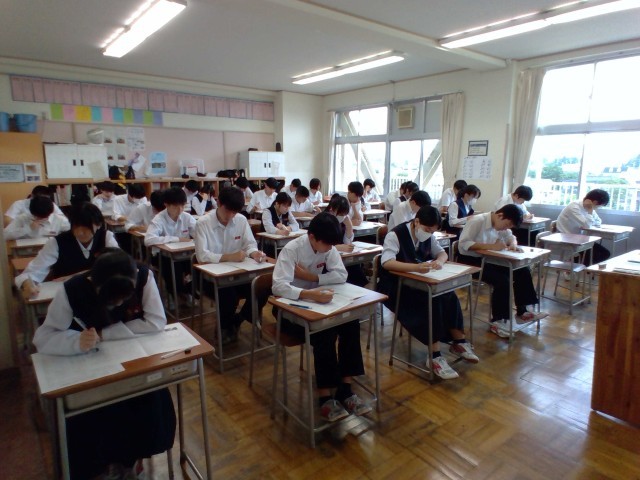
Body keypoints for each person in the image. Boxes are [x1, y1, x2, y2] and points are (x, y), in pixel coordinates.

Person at [32, 249, 174, 480]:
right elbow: (43, 337)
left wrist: (106, 333)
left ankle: (131, 460)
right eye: (112, 300)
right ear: (95, 285)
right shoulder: (72, 290)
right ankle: (101, 466)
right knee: (95, 412)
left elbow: (156, 321)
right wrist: (76, 341)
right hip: (91, 362)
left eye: (124, 299)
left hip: (131, 358)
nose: (119, 304)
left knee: (152, 396)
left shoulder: (143, 277)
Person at [272, 212, 371, 421]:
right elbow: (278, 286)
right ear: (312, 237)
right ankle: (325, 397)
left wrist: (313, 278)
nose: (329, 248)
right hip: (289, 309)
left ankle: (345, 389)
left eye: (332, 245)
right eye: (326, 244)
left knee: (350, 323)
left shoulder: (328, 247)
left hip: (317, 303)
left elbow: (341, 275)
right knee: (324, 332)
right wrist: (310, 294)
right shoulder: (292, 250)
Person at [378, 206, 478, 379]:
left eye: (433, 231)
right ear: (416, 222)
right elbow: (387, 263)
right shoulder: (395, 235)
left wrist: (439, 261)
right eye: (427, 230)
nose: (429, 234)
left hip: (420, 282)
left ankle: (459, 341)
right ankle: (434, 355)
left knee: (448, 294)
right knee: (432, 300)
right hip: (396, 286)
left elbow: (442, 253)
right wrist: (416, 267)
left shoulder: (428, 235)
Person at [457, 204, 548, 338]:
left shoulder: (500, 224)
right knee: (502, 281)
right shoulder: (477, 221)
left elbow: (511, 236)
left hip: (488, 259)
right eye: (507, 224)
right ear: (500, 215)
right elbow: (463, 244)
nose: (507, 228)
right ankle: (498, 321)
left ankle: (522, 311)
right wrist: (492, 246)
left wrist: (513, 244)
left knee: (522, 270)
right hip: (470, 262)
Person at [195, 187, 267, 344]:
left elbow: (249, 244)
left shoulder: (240, 220)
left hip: (238, 274)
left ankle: (237, 320)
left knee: (262, 288)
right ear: (218, 203)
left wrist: (254, 253)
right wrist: (229, 257)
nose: (230, 216)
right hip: (211, 278)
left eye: (234, 212)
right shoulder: (203, 223)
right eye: (227, 211)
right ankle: (224, 327)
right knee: (229, 295)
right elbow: (201, 256)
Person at [15, 202, 119, 300]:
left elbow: (118, 266)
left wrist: (76, 276)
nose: (80, 233)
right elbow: (30, 273)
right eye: (75, 227)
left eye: (85, 228)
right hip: (67, 296)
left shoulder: (106, 237)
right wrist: (27, 283)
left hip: (100, 293)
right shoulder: (57, 242)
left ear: (99, 224)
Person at [144, 187, 197, 307]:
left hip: (184, 254)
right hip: (162, 256)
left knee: (195, 265)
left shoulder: (186, 217)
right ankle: (173, 293)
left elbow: (199, 234)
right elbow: (149, 240)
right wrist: (176, 239)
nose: (180, 210)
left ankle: (187, 291)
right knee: (173, 268)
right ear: (166, 204)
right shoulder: (159, 219)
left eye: (182, 205)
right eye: (175, 206)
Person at [556, 188, 611, 264]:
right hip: (567, 238)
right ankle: (574, 265)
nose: (598, 208)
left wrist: (589, 219)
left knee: (605, 254)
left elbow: (598, 222)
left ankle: (574, 263)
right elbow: (588, 225)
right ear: (595, 202)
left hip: (580, 238)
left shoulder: (588, 207)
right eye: (599, 206)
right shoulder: (574, 207)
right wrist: (590, 212)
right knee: (592, 255)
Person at [3, 195, 69, 240]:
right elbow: (4, 235)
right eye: (38, 217)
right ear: (32, 213)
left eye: (46, 217)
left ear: (51, 212)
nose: (42, 219)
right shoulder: (23, 218)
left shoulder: (60, 220)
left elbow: (71, 236)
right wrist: (28, 228)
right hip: (27, 251)